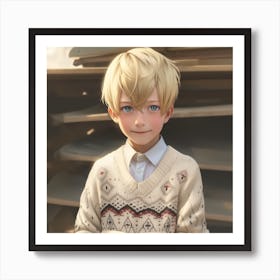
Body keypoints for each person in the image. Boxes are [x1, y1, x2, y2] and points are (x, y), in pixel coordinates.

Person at [74, 47, 209, 233]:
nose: (140, 122)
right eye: (128, 108)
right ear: (113, 113)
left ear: (168, 112)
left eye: (153, 107)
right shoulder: (101, 171)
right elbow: (83, 232)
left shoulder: (185, 171)